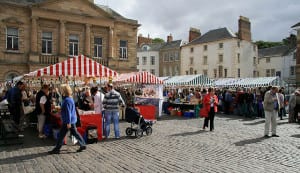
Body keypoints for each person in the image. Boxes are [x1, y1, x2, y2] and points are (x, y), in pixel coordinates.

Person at [48, 84, 86, 154]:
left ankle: (57, 148)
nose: (60, 90)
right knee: (73, 133)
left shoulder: (67, 100)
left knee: (63, 135)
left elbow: (68, 112)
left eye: (61, 89)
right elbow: (69, 110)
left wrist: (68, 122)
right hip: (70, 120)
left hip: (68, 121)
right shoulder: (69, 98)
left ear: (64, 91)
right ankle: (82, 144)